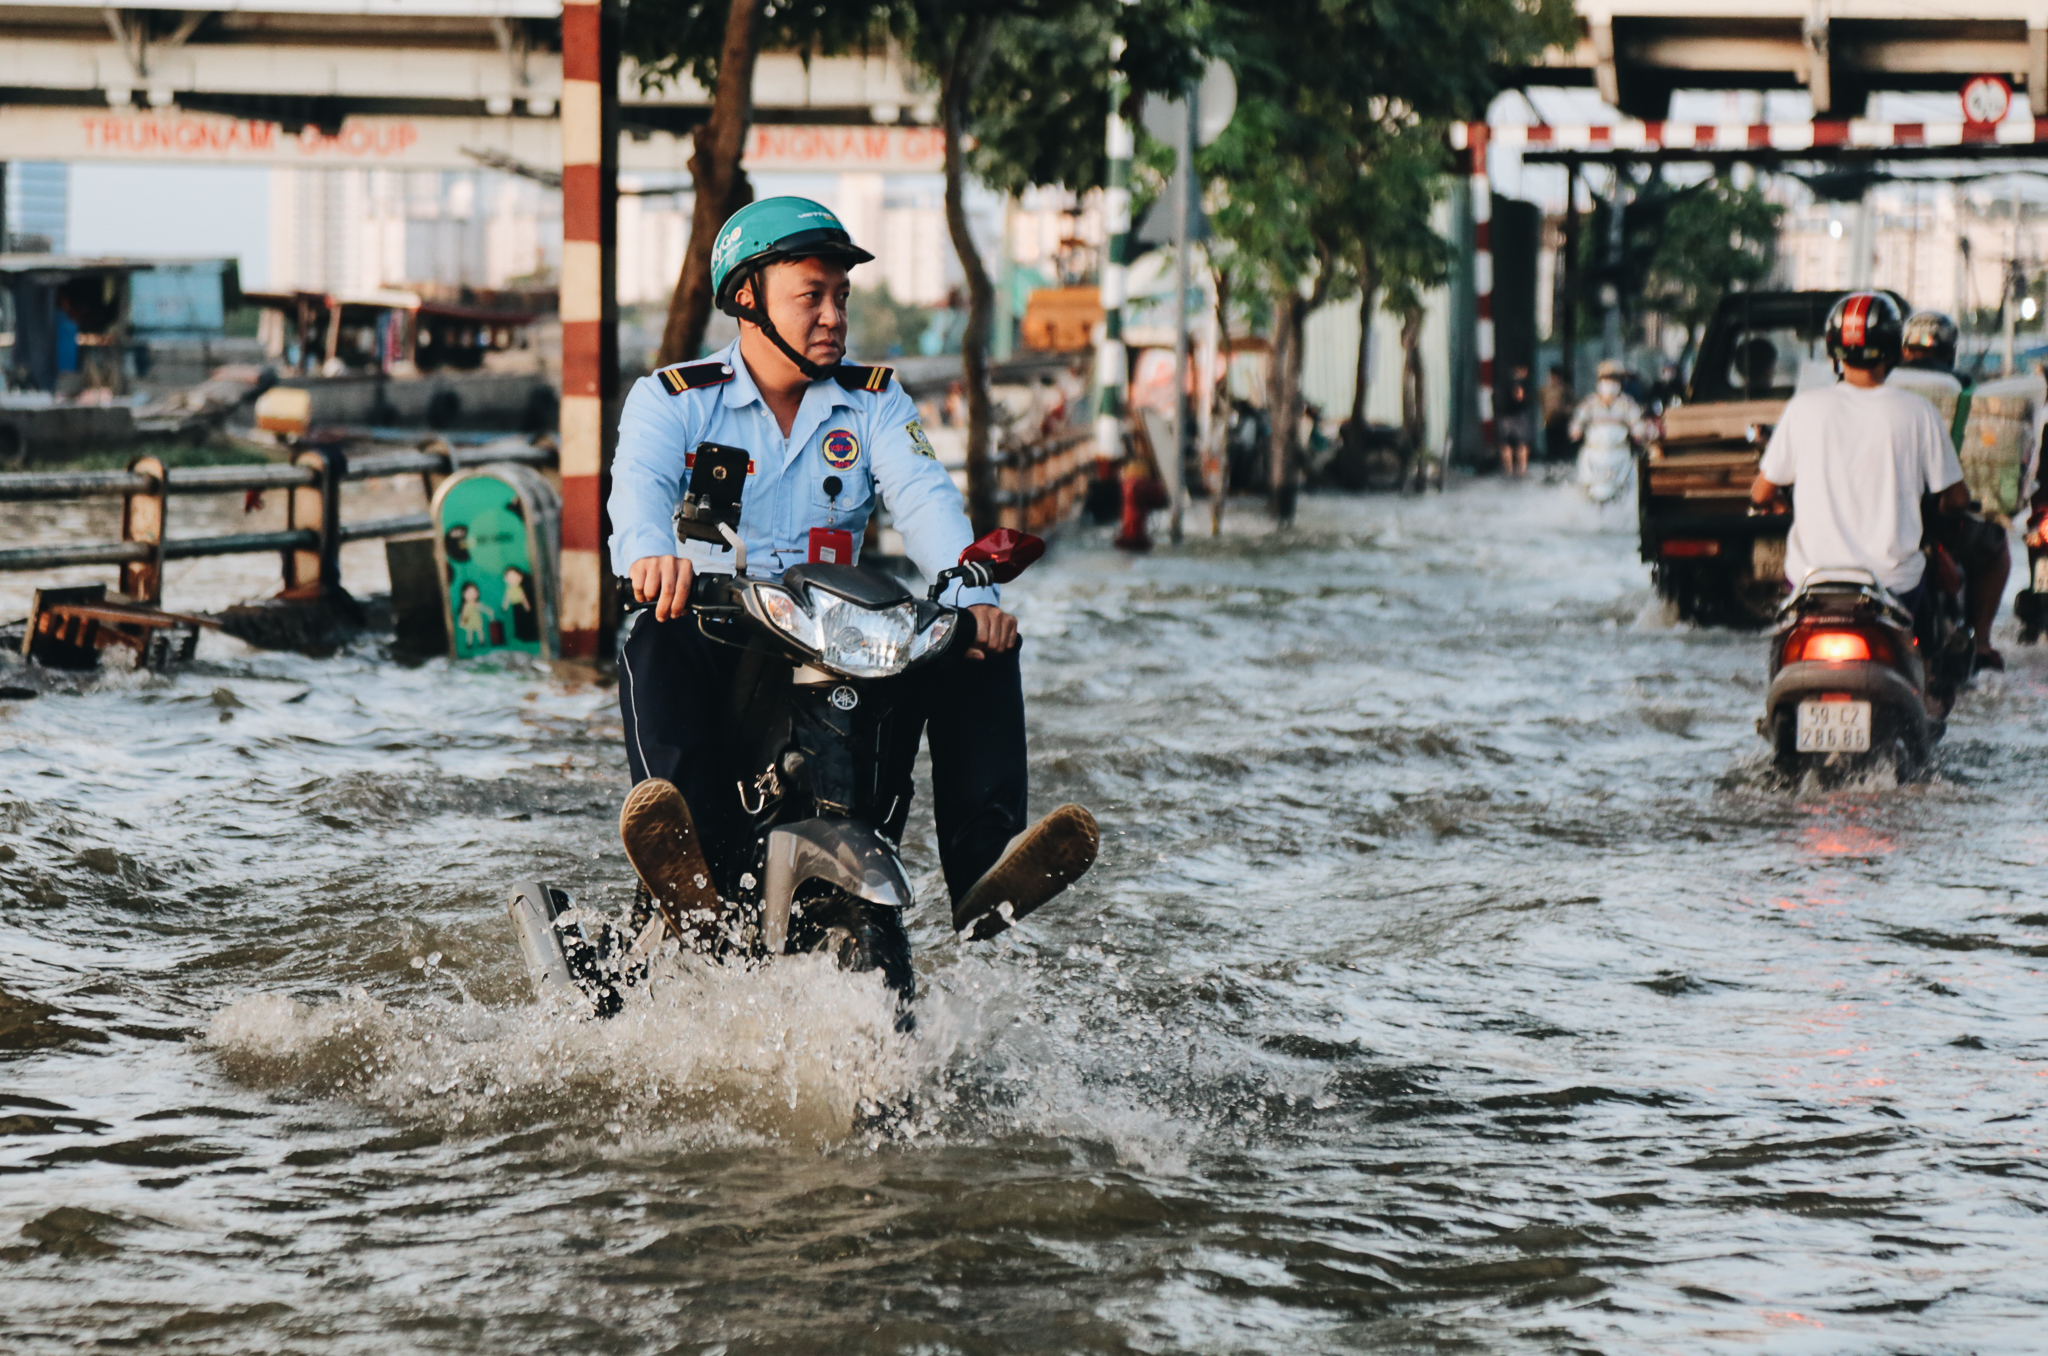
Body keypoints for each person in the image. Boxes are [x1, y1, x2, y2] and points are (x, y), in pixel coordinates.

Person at [607, 196, 1097, 948]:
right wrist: (650, 556)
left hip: (839, 638)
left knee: (978, 641)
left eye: (842, 296)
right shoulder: (675, 399)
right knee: (651, 630)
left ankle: (984, 866)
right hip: (720, 635)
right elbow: (636, 490)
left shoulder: (874, 402)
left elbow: (928, 502)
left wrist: (975, 595)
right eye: (812, 296)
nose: (834, 315)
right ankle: (686, 858)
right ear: (747, 298)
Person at [1748, 293, 1968, 682]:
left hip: (1810, 582)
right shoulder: (1918, 412)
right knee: (1931, 628)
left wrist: (1782, 503)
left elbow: (1761, 494)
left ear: (1835, 351)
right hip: (1893, 585)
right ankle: (1930, 689)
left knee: (1783, 642)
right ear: (1893, 351)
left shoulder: (1803, 408)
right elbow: (1956, 498)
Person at [1885, 308, 2016, 670]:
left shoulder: (1880, 388)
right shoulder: (1966, 391)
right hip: (1944, 513)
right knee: (1995, 545)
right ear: (1949, 351)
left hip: (1888, 516)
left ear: (1903, 349)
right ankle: (1983, 642)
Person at [1568, 360, 1646, 447]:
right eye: (1606, 379)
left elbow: (1637, 422)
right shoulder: (1590, 403)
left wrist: (1638, 433)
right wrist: (1576, 430)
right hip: (1594, 451)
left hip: (1619, 452)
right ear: (1599, 382)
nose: (1610, 383)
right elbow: (1578, 420)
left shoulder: (1627, 403)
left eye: (1613, 380)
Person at [1497, 365, 1532, 477]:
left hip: (1503, 416)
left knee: (1505, 444)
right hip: (1517, 416)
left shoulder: (1503, 382)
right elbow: (1519, 396)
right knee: (1521, 443)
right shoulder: (1518, 383)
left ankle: (1508, 469)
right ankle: (1522, 469)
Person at [1540, 365, 1573, 462]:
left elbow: (1571, 402)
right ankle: (1551, 460)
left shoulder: (1564, 389)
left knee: (1561, 443)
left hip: (1561, 419)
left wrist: (1565, 410)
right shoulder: (1545, 389)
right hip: (1549, 420)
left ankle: (1561, 459)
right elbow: (1542, 402)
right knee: (1550, 443)